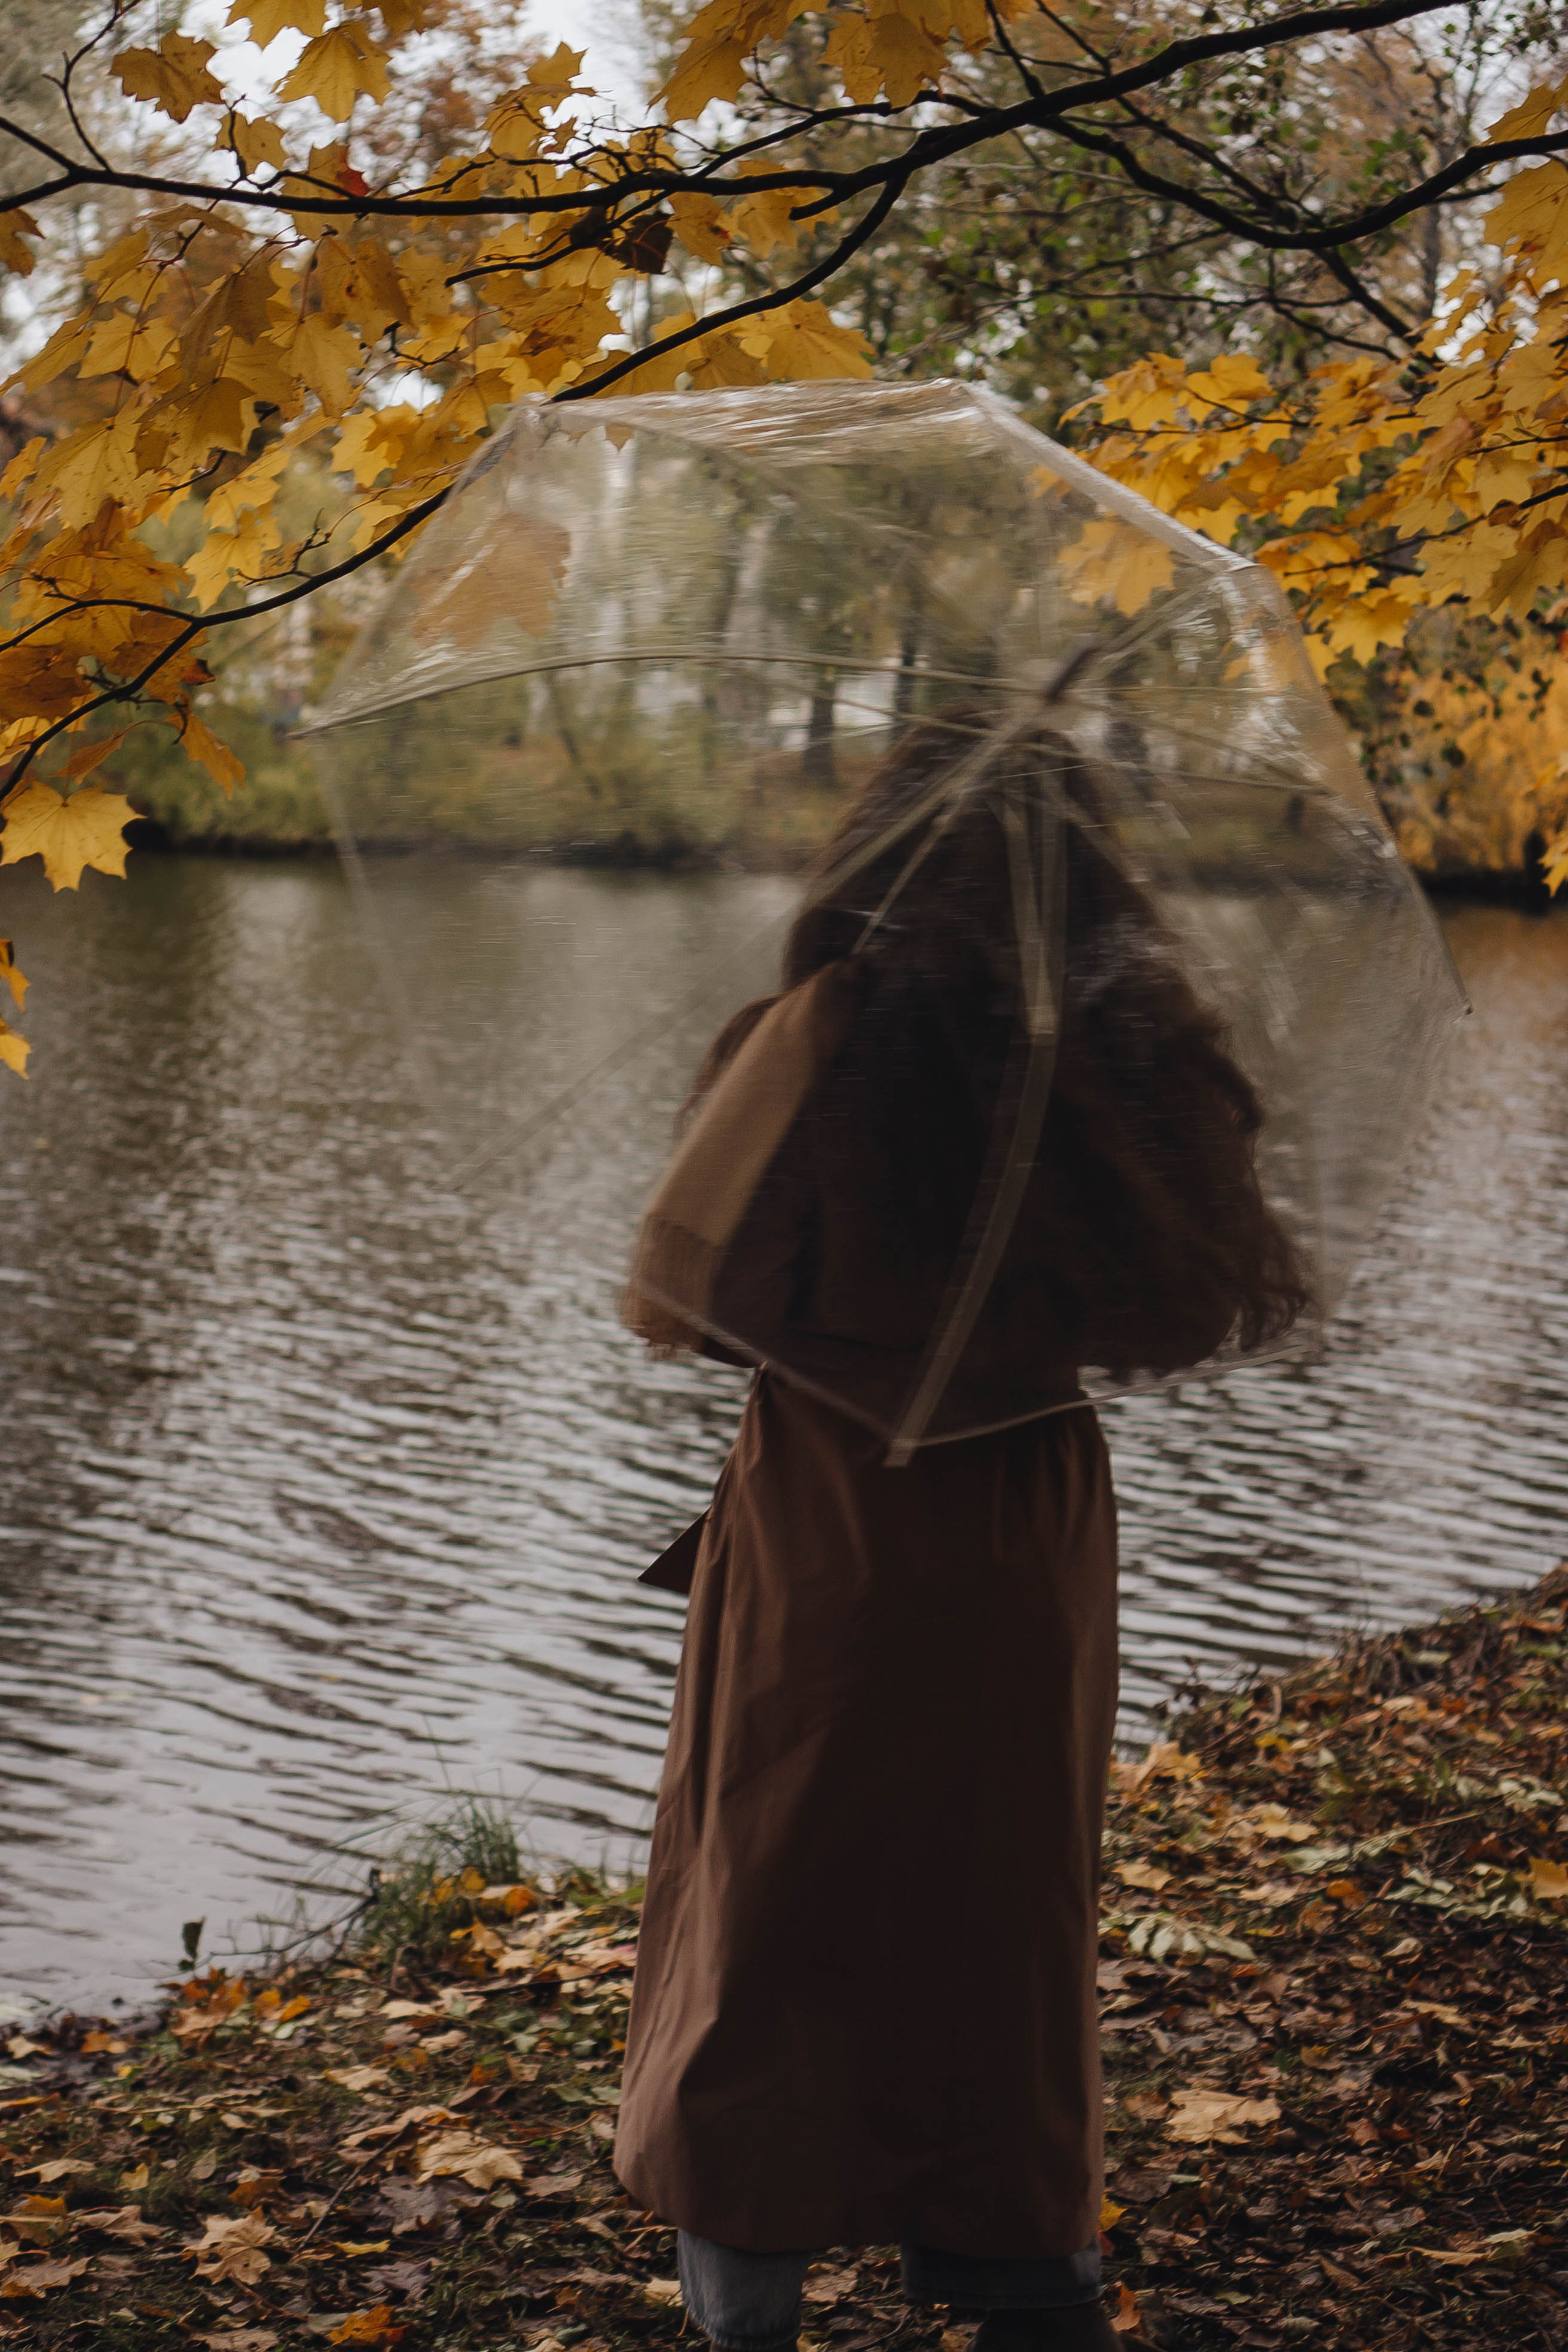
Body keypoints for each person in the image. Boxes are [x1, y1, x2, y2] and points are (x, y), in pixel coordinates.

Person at [612, 709, 1310, 2352]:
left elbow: (676, 1292)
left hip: (832, 1508)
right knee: (1002, 1894)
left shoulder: (824, 1032)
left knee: (775, 1872)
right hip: (1027, 1520)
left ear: (883, 853)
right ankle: (1017, 2268)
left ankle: (752, 2277)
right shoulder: (1127, 1054)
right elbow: (1199, 1305)